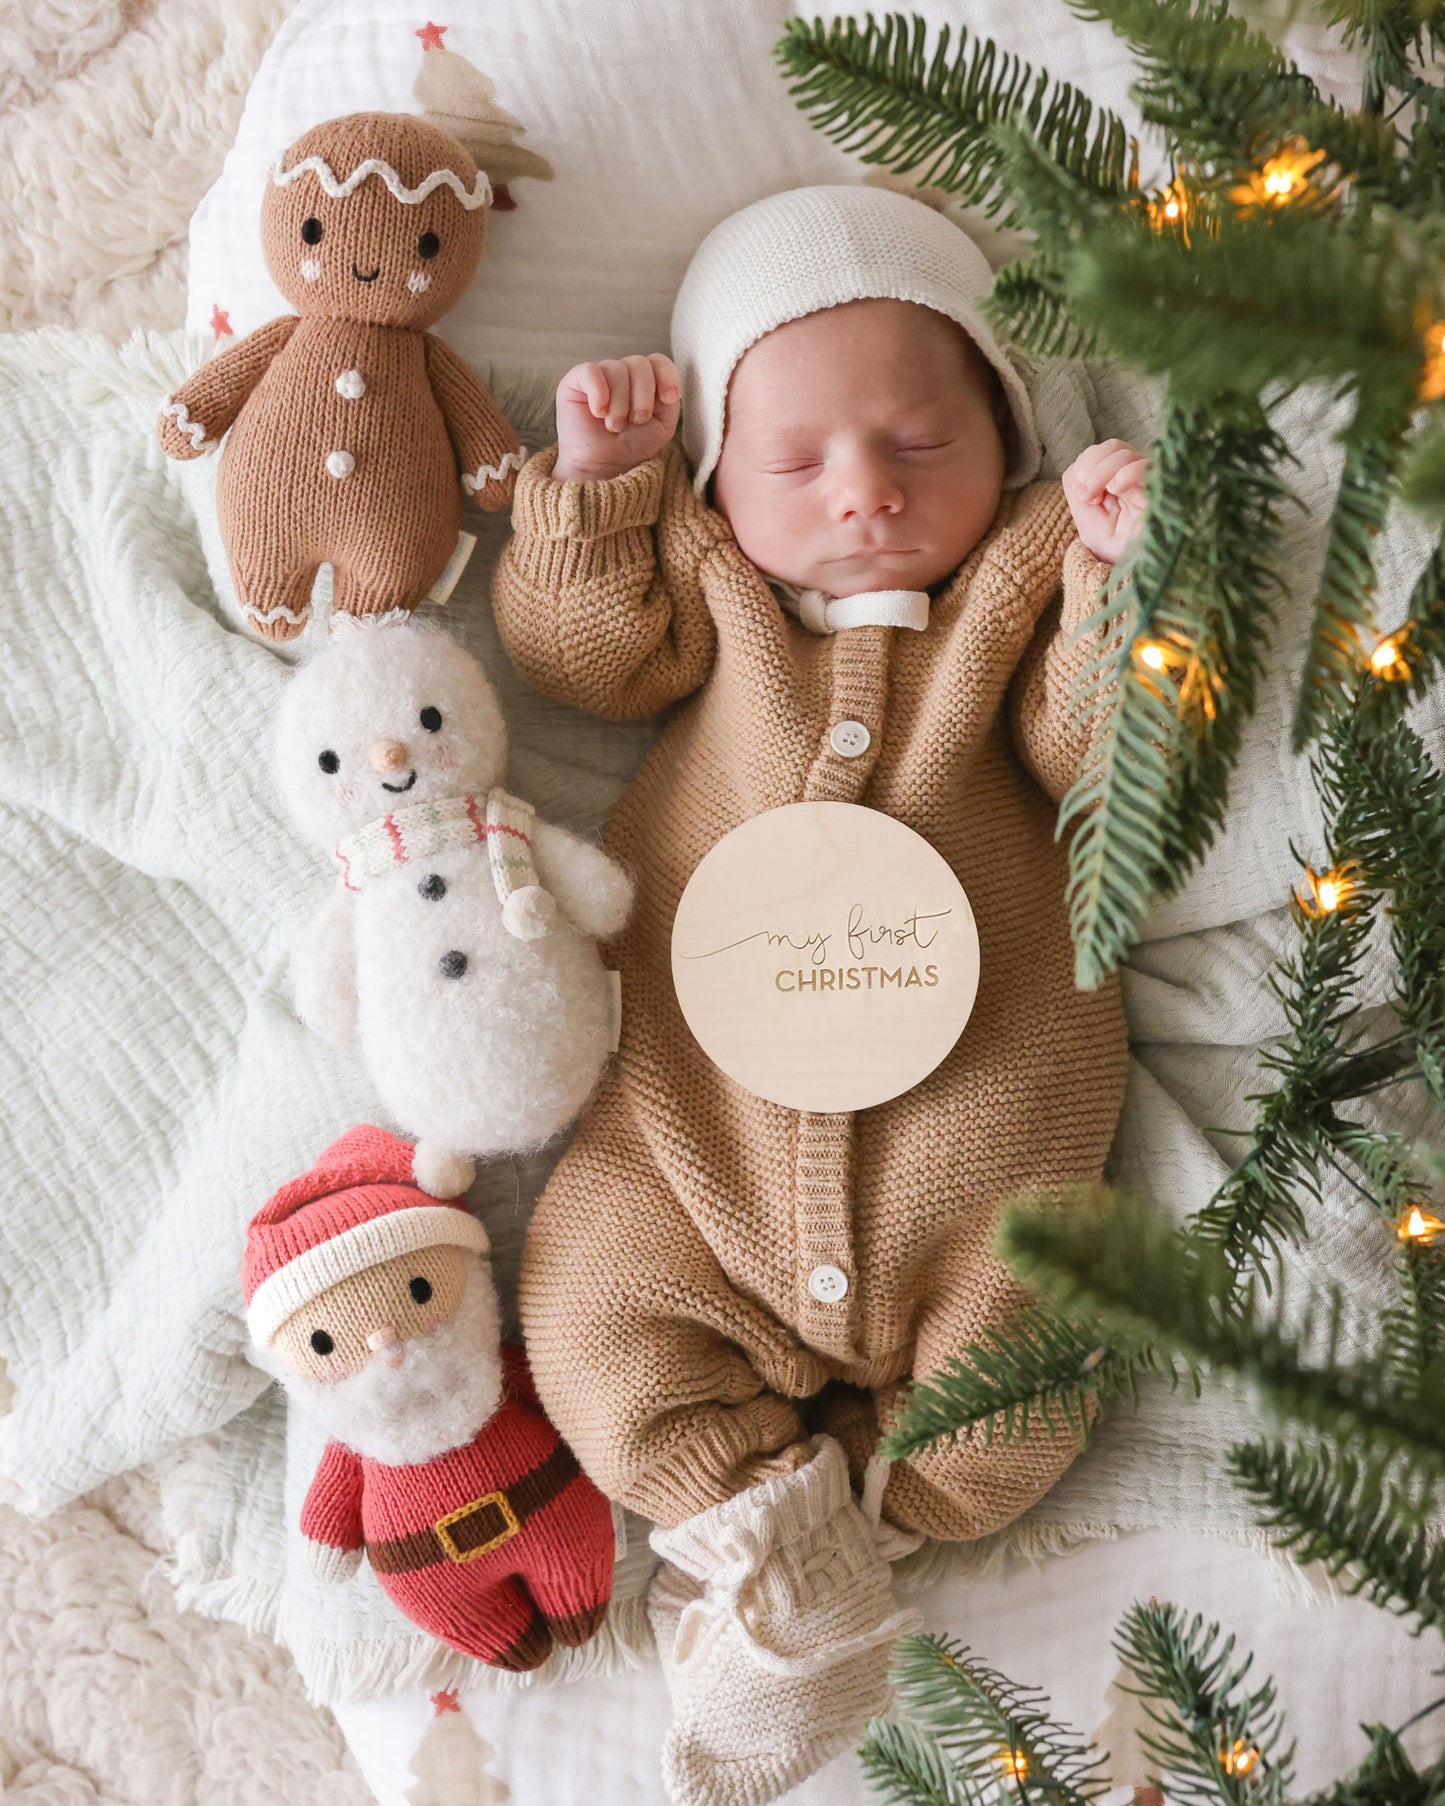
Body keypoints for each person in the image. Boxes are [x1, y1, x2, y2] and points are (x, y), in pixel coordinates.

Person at [491, 183, 1148, 1806]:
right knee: (587, 1301)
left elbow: (1097, 758)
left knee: (1029, 1339)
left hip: (970, 1108)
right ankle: (758, 1544)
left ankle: (879, 1520)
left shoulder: (1006, 595)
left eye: (919, 443)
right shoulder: (712, 607)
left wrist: (1124, 585)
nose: (861, 492)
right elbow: (578, 661)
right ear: (719, 472)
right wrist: (592, 494)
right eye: (795, 461)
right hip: (694, 1138)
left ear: (1002, 438)